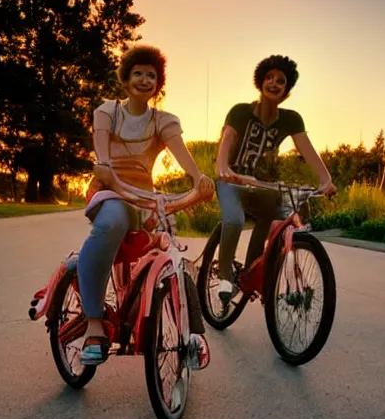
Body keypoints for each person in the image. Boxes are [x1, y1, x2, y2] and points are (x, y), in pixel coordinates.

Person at [78, 45, 214, 365]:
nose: (144, 79)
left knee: (171, 251)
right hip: (110, 190)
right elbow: (103, 156)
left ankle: (193, 335)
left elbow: (182, 155)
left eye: (151, 75)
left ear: (158, 84)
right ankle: (94, 325)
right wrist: (105, 168)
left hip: (145, 198)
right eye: (138, 73)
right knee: (112, 221)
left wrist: (199, 180)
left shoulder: (163, 121)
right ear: (126, 80)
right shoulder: (108, 111)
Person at [215, 54, 337, 301]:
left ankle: (251, 273)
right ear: (260, 83)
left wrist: (326, 179)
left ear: (286, 90)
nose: (273, 83)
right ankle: (225, 276)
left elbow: (308, 151)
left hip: (262, 185)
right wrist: (223, 168)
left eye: (280, 81)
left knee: (275, 218)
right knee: (235, 221)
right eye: (268, 78)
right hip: (232, 181)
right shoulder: (240, 112)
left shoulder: (291, 119)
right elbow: (226, 141)